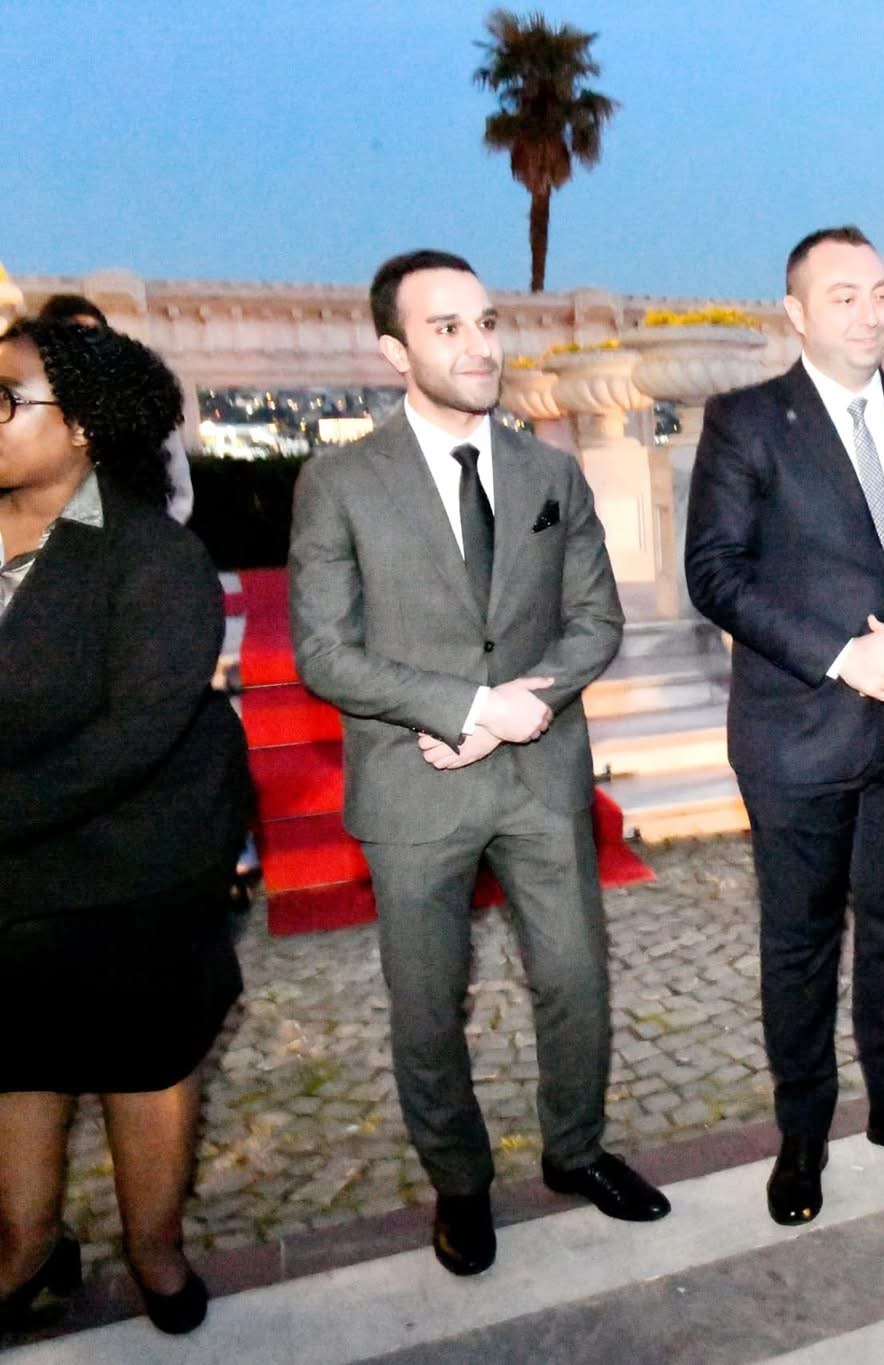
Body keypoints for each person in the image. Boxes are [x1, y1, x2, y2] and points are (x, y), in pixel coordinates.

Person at [289, 250, 667, 1281]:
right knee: (425, 1001)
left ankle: (576, 1149)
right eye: (446, 327)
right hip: (414, 781)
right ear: (392, 350)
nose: (478, 344)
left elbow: (595, 620)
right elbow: (325, 651)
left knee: (577, 975)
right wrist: (457, 709)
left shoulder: (549, 472)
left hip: (539, 771)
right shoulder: (339, 481)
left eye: (486, 321)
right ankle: (459, 1185)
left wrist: (514, 711)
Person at [684, 226, 884, 1228]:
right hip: (797, 733)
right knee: (801, 941)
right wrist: (840, 652)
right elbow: (715, 573)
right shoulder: (747, 423)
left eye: (878, 292)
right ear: (796, 313)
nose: (869, 312)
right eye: (843, 296)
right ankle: (803, 1133)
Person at [0, 320, 251, 1335]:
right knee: (18, 1068)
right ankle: (23, 1247)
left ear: (87, 432)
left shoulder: (155, 557)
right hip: (13, 883)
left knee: (144, 1068)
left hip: (135, 872)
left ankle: (155, 1253)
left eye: (7, 397)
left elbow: (132, 738)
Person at [36, 293, 195, 525]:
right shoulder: (31, 411)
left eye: (95, 336)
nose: (87, 348)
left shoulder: (140, 408)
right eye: (73, 337)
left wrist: (153, 538)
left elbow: (178, 488)